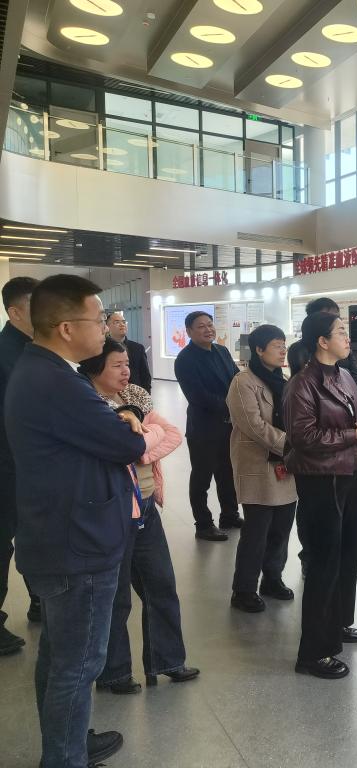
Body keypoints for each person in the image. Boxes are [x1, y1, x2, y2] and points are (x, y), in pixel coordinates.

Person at [6, 274, 147, 768]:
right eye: (97, 319)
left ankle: (67, 745)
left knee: (60, 655)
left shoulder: (41, 369)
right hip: (77, 543)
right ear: (67, 328)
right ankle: (65, 758)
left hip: (60, 534)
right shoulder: (57, 382)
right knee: (79, 663)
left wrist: (117, 421)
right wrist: (126, 423)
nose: (105, 328)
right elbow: (128, 445)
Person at [81, 340, 200, 694]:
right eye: (117, 365)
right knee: (116, 596)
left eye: (128, 364)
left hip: (146, 503)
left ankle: (168, 660)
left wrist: (141, 448)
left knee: (161, 584)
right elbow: (120, 450)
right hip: (115, 511)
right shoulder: (88, 406)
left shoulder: (134, 397)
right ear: (94, 368)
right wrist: (140, 442)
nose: (126, 372)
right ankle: (114, 672)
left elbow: (171, 434)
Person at [284, 312, 357, 680]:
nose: (347, 338)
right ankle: (313, 652)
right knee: (324, 563)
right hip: (321, 480)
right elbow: (303, 437)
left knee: (347, 556)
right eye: (340, 332)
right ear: (322, 341)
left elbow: (353, 413)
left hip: (349, 474)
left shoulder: (344, 376)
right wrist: (352, 435)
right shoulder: (302, 384)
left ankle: (337, 623)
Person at [227, 324, 297, 613]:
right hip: (258, 465)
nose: (282, 350)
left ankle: (272, 579)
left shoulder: (284, 380)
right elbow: (254, 425)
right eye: (276, 345)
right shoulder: (243, 382)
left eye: (284, 345)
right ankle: (244, 589)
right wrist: (291, 445)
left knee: (281, 528)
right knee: (256, 532)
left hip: (286, 466)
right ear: (258, 349)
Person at [174, 310, 241, 541]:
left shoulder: (222, 351)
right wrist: (232, 407)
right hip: (203, 428)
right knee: (201, 478)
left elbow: (236, 379)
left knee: (227, 474)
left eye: (210, 324)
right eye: (201, 326)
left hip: (228, 427)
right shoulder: (185, 359)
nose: (208, 329)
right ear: (189, 331)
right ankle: (203, 524)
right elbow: (198, 396)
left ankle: (229, 515)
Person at [0, 276, 39, 655]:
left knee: (33, 534)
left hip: (30, 466)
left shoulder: (34, 349)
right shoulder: (5, 354)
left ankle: (40, 598)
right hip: (7, 466)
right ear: (15, 313)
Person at [286, 297, 357, 394]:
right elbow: (304, 386)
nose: (335, 320)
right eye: (327, 317)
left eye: (337, 317)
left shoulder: (343, 350)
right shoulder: (299, 350)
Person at [106, 311, 152, 392]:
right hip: (111, 394)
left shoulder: (138, 348)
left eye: (124, 322)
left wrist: (146, 395)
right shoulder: (102, 349)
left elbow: (145, 376)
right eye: (117, 322)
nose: (122, 324)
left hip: (135, 393)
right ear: (107, 327)